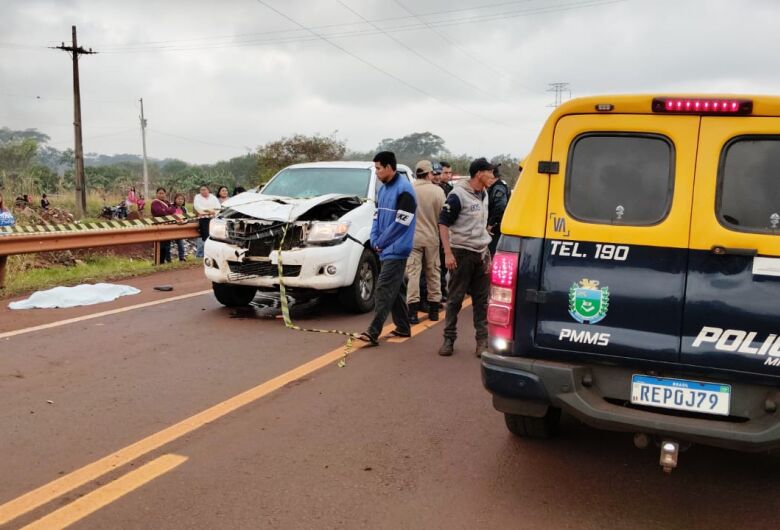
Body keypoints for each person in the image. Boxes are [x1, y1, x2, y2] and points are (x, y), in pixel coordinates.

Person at [357, 151, 417, 346]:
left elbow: (401, 224)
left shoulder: (405, 190)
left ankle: (373, 332)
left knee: (383, 288)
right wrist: (374, 238)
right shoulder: (382, 190)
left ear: (390, 167)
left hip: (397, 249)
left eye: (379, 168)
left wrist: (381, 242)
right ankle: (403, 327)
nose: (376, 172)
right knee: (397, 287)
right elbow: (376, 217)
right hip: (384, 247)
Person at [437, 157, 494, 357]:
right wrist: (448, 253)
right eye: (490, 172)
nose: (493, 176)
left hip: (481, 252)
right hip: (461, 253)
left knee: (481, 300)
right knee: (455, 299)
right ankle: (448, 339)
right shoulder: (457, 195)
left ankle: (482, 341)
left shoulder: (484, 194)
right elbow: (443, 223)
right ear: (479, 173)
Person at [406, 160, 445, 324]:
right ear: (429, 174)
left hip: (413, 238)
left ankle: (413, 314)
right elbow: (444, 217)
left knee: (413, 274)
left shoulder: (409, 189)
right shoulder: (437, 191)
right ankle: (434, 310)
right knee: (433, 272)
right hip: (431, 238)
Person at [487, 165, 510, 256]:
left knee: (493, 253)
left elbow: (500, 206)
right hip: (496, 227)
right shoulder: (495, 187)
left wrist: (491, 224)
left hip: (496, 228)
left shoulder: (498, 187)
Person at [151, 187, 178, 263]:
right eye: (159, 193)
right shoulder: (155, 203)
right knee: (160, 245)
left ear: (165, 194)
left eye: (163, 193)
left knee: (167, 244)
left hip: (167, 226)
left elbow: (173, 209)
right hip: (158, 227)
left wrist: (166, 210)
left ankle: (167, 260)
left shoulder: (167, 202)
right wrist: (168, 211)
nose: (161, 195)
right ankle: (159, 261)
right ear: (156, 194)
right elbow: (159, 212)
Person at [193, 184, 220, 259]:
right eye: (201, 190)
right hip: (203, 219)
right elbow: (198, 207)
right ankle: (203, 255)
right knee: (205, 237)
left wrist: (213, 212)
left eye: (205, 189)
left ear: (208, 190)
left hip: (213, 218)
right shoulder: (197, 197)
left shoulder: (213, 197)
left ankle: (213, 255)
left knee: (214, 236)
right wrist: (208, 211)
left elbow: (218, 207)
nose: (203, 191)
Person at [172, 193, 189, 262]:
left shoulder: (184, 209)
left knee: (181, 244)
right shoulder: (171, 208)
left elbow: (187, 219)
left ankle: (181, 258)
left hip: (179, 229)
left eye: (182, 199)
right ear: (175, 200)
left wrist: (183, 222)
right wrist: (176, 222)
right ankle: (168, 260)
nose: (180, 200)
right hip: (171, 229)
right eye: (179, 199)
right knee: (168, 245)